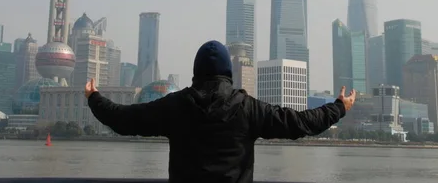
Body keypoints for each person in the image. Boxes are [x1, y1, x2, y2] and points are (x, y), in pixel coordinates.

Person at [86, 40, 356, 183]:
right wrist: (338, 107)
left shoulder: (175, 106)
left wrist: (94, 97)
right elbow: (300, 123)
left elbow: (123, 119)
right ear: (228, 72)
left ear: (196, 71)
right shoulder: (248, 108)